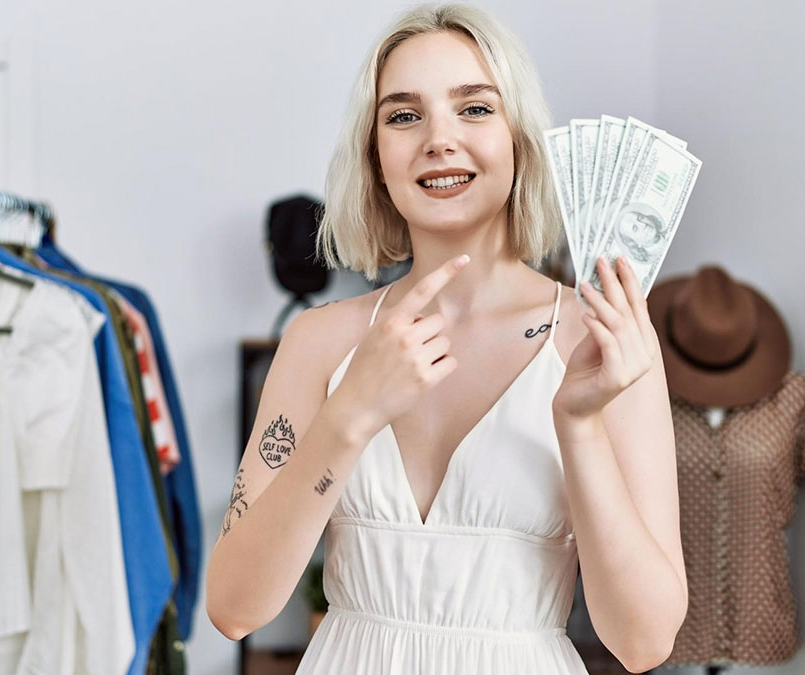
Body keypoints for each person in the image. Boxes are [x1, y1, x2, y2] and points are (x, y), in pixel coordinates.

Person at [206, 4, 687, 672]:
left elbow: (644, 642)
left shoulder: (603, 337)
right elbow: (234, 607)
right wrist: (349, 414)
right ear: (376, 159)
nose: (438, 138)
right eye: (404, 115)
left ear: (519, 138)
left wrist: (578, 423)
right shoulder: (319, 342)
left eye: (475, 109)